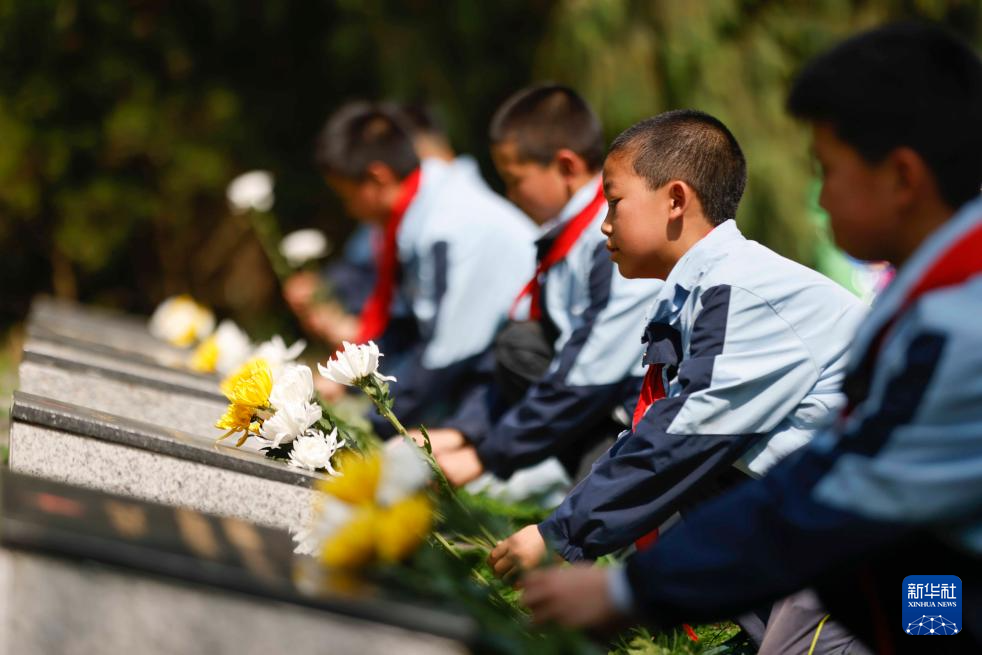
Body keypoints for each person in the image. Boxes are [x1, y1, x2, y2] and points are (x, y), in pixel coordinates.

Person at [519, 22, 982, 654]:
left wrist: (629, 590)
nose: (820, 197)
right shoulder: (922, 294)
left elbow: (835, 489)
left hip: (922, 571)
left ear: (901, 177)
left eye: (829, 171)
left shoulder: (957, 323)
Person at [427, 85, 660, 491]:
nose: (511, 195)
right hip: (598, 402)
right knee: (519, 345)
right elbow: (528, 350)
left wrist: (486, 456)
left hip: (642, 416)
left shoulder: (612, 242)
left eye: (515, 180)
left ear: (566, 166)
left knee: (592, 522)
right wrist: (463, 431)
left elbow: (588, 373)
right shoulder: (566, 240)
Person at [315, 102, 536, 434]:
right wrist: (344, 379)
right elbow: (405, 321)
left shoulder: (446, 226)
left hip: (518, 386)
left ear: (377, 177)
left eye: (347, 197)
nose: (350, 210)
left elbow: (445, 352)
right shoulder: (422, 209)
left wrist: (365, 427)